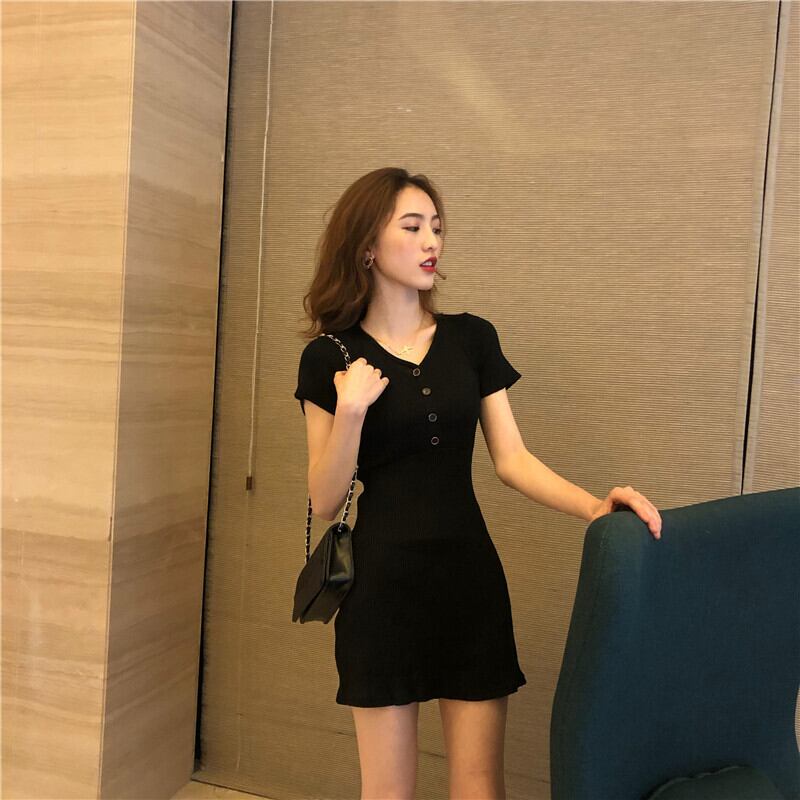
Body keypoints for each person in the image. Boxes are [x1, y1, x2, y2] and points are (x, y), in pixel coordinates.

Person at [293, 167, 662, 800]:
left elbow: (512, 460)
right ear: (367, 246)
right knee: (388, 792)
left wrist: (595, 507)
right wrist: (350, 411)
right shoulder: (330, 357)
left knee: (479, 787)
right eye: (413, 227)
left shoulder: (471, 338)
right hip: (381, 590)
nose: (431, 241)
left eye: (436, 228)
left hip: (469, 581)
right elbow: (325, 500)